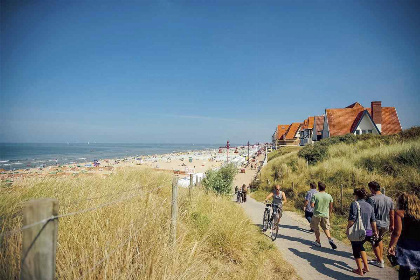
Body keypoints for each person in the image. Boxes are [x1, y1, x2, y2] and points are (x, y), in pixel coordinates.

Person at [388, 193, 420, 280]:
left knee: (404, 272)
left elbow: (397, 232)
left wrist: (391, 245)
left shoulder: (399, 213)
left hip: (405, 246)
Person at [347, 188, 378, 276]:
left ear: (356, 195)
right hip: (368, 231)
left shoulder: (354, 204)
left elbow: (352, 219)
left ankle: (360, 270)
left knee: (356, 249)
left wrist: (348, 228)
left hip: (358, 231)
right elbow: (373, 220)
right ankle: (366, 267)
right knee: (361, 247)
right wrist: (375, 231)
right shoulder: (369, 205)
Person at [367, 181, 394, 268]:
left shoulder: (372, 199)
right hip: (386, 224)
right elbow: (392, 213)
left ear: (372, 189)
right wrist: (392, 224)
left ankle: (379, 261)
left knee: (373, 241)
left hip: (375, 224)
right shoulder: (389, 199)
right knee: (379, 240)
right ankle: (380, 257)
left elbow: (369, 213)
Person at [310, 181, 337, 249]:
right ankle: (329, 239)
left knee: (316, 228)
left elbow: (312, 205)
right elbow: (331, 206)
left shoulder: (315, 195)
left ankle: (318, 241)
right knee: (326, 228)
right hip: (325, 214)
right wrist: (329, 213)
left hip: (317, 214)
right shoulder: (329, 196)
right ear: (325, 188)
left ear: (318, 188)